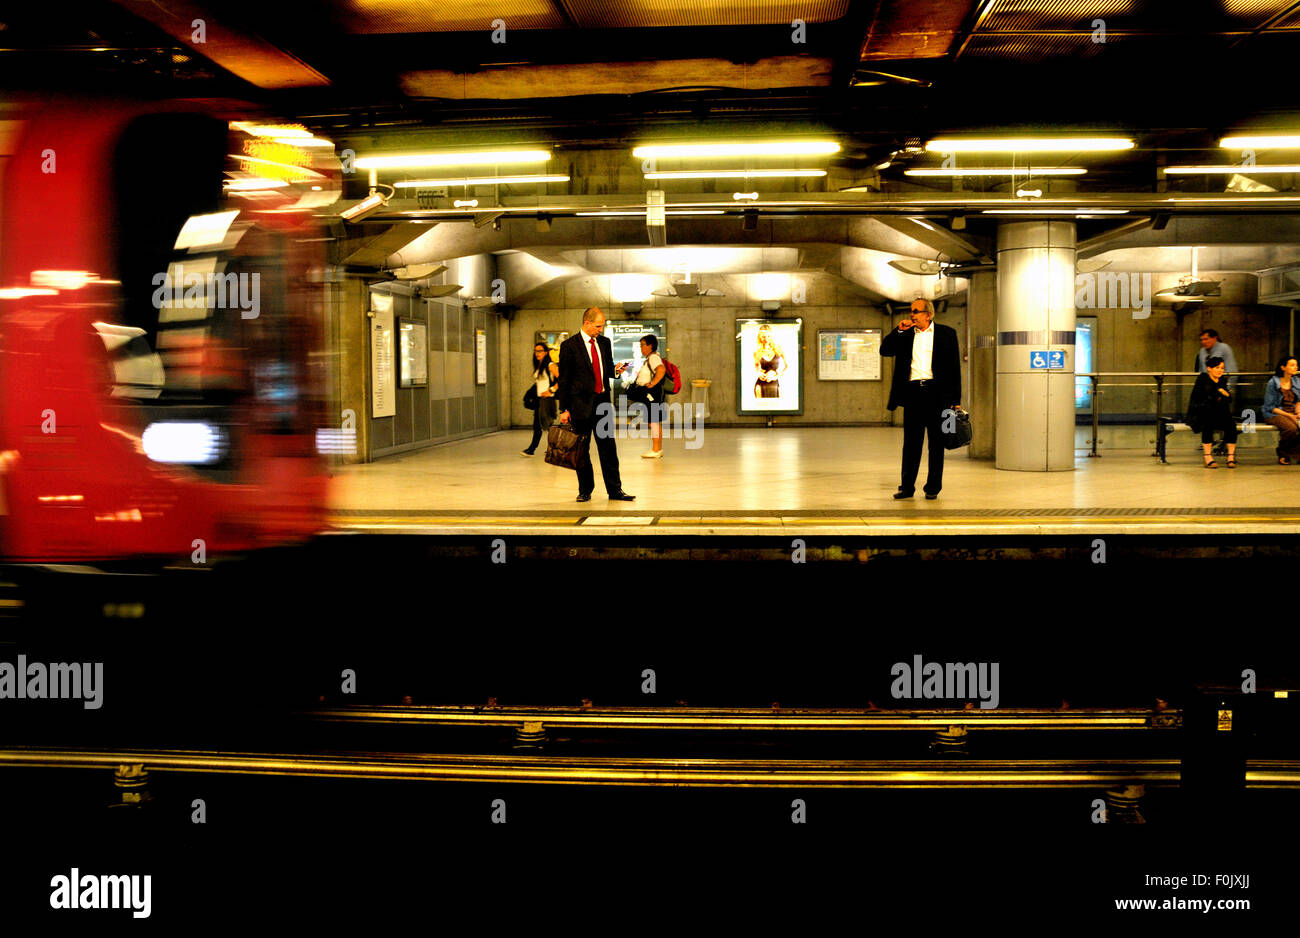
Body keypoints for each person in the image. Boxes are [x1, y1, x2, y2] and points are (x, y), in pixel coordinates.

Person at [879, 298, 961, 500]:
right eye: (911, 311)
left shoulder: (947, 334)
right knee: (911, 444)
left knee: (936, 443)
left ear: (928, 314)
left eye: (916, 311)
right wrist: (897, 330)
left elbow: (954, 368)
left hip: (938, 394)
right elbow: (885, 350)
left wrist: (955, 399)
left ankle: (933, 487)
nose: (912, 315)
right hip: (913, 393)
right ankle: (907, 487)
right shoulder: (905, 334)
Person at [556, 307, 635, 502]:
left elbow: (607, 369)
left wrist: (616, 370)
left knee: (608, 448)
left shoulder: (604, 343)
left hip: (602, 403)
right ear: (587, 323)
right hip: (579, 406)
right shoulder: (569, 346)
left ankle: (615, 491)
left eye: (602, 326)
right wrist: (564, 409)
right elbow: (564, 380)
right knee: (582, 450)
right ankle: (585, 490)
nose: (600, 329)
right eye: (598, 326)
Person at [1188, 356, 1237, 468]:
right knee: (1208, 423)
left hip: (1219, 412)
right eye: (1217, 368)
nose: (1220, 370)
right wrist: (1220, 393)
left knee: (1231, 425)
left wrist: (1221, 394)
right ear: (1209, 368)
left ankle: (1230, 456)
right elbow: (1205, 398)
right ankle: (1207, 456)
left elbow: (1229, 399)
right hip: (1201, 411)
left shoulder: (1222, 380)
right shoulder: (1203, 379)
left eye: (1222, 368)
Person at [632, 334, 667, 458]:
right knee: (654, 421)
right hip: (651, 394)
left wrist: (652, 383)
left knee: (653, 422)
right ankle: (657, 449)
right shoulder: (651, 358)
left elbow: (661, 370)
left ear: (650, 346)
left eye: (643, 345)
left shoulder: (653, 358)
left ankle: (656, 450)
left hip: (652, 394)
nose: (641, 348)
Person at [521, 342, 559, 456]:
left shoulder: (550, 365)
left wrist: (551, 390)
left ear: (546, 352)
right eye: (535, 351)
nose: (537, 353)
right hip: (540, 399)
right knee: (538, 425)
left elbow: (562, 379)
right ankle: (534, 449)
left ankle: (553, 448)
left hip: (547, 400)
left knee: (547, 425)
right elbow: (538, 384)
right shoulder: (539, 365)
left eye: (540, 351)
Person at [1262, 355, 1300, 464]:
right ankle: (1283, 453)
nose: (1295, 367)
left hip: (1292, 411)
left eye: (1296, 365)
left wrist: (1298, 411)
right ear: (1283, 367)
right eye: (1292, 365)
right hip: (1274, 413)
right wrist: (1290, 416)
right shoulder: (1273, 383)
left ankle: (1295, 453)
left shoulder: (1297, 381)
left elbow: (1298, 400)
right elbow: (1270, 406)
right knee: (1291, 428)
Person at [753, 323, 786, 398]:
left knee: (776, 407)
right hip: (761, 384)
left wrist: (776, 376)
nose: (766, 339)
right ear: (760, 337)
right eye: (764, 337)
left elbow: (787, 367)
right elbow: (757, 367)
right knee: (760, 407)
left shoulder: (778, 349)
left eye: (768, 336)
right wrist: (759, 374)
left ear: (772, 336)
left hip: (775, 382)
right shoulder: (757, 351)